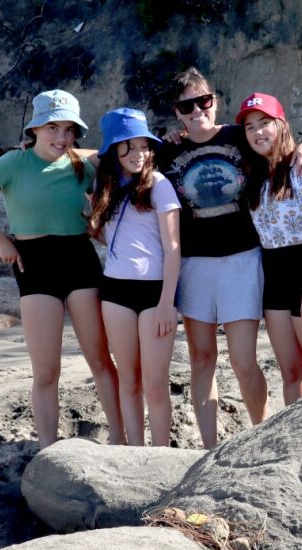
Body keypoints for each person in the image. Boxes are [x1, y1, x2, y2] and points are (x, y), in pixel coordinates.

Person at [0, 89, 124, 449]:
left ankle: (120, 440)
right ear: (35, 129)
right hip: (34, 263)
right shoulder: (12, 163)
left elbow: (126, 155)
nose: (61, 137)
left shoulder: (85, 163)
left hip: (79, 258)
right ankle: (47, 448)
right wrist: (1, 241)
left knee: (100, 361)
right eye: (52, 128)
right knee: (46, 371)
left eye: (69, 130)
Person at [155, 68, 302, 447]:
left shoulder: (237, 136)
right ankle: (210, 448)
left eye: (203, 101)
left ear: (215, 101)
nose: (197, 111)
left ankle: (260, 434)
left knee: (244, 362)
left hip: (243, 260)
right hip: (193, 266)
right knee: (202, 360)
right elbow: (115, 159)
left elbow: (276, 144)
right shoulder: (167, 150)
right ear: (176, 112)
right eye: (186, 106)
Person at [88, 108, 182, 447]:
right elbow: (108, 235)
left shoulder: (159, 185)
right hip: (115, 292)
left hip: (155, 293)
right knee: (129, 381)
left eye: (144, 146)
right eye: (128, 146)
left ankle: (160, 454)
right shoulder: (104, 185)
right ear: (114, 149)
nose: (139, 154)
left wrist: (167, 304)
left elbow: (173, 249)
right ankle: (134, 452)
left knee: (155, 385)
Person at [238, 93, 302, 406]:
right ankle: (298, 432)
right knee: (291, 371)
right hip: (274, 274)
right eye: (250, 127)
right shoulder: (254, 176)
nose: (257, 132)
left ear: (281, 124)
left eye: (264, 123)